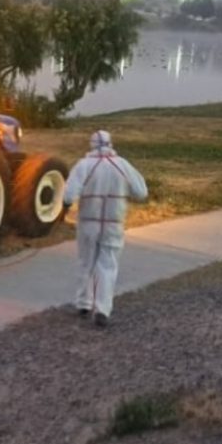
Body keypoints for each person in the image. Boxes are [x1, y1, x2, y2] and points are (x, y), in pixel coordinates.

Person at [62, 129, 149, 327]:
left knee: (86, 261)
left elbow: (68, 195)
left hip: (87, 222)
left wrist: (65, 207)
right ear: (111, 144)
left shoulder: (84, 165)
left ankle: (83, 303)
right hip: (113, 223)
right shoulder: (122, 165)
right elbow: (141, 192)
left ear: (91, 145)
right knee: (108, 265)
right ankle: (103, 309)